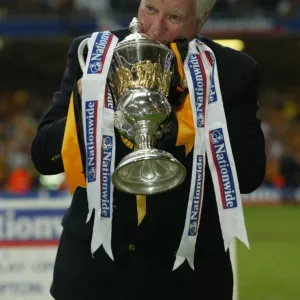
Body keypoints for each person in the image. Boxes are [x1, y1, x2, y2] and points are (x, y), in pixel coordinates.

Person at [31, 0, 266, 299]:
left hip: (189, 278)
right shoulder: (93, 54)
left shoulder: (232, 71)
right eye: (150, 8)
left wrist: (198, 114)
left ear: (201, 19)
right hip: (92, 275)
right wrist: (86, 100)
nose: (156, 29)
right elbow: (44, 158)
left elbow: (248, 176)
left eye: (175, 17)